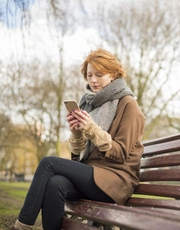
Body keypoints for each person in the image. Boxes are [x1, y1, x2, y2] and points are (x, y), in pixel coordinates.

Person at [12, 48, 146, 230]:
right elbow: (77, 157)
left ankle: (21, 226)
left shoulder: (128, 104)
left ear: (114, 75)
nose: (93, 80)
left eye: (99, 74)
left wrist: (91, 128)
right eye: (89, 75)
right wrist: (77, 132)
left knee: (48, 163)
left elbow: (120, 153)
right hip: (94, 175)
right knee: (55, 183)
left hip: (116, 180)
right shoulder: (90, 103)